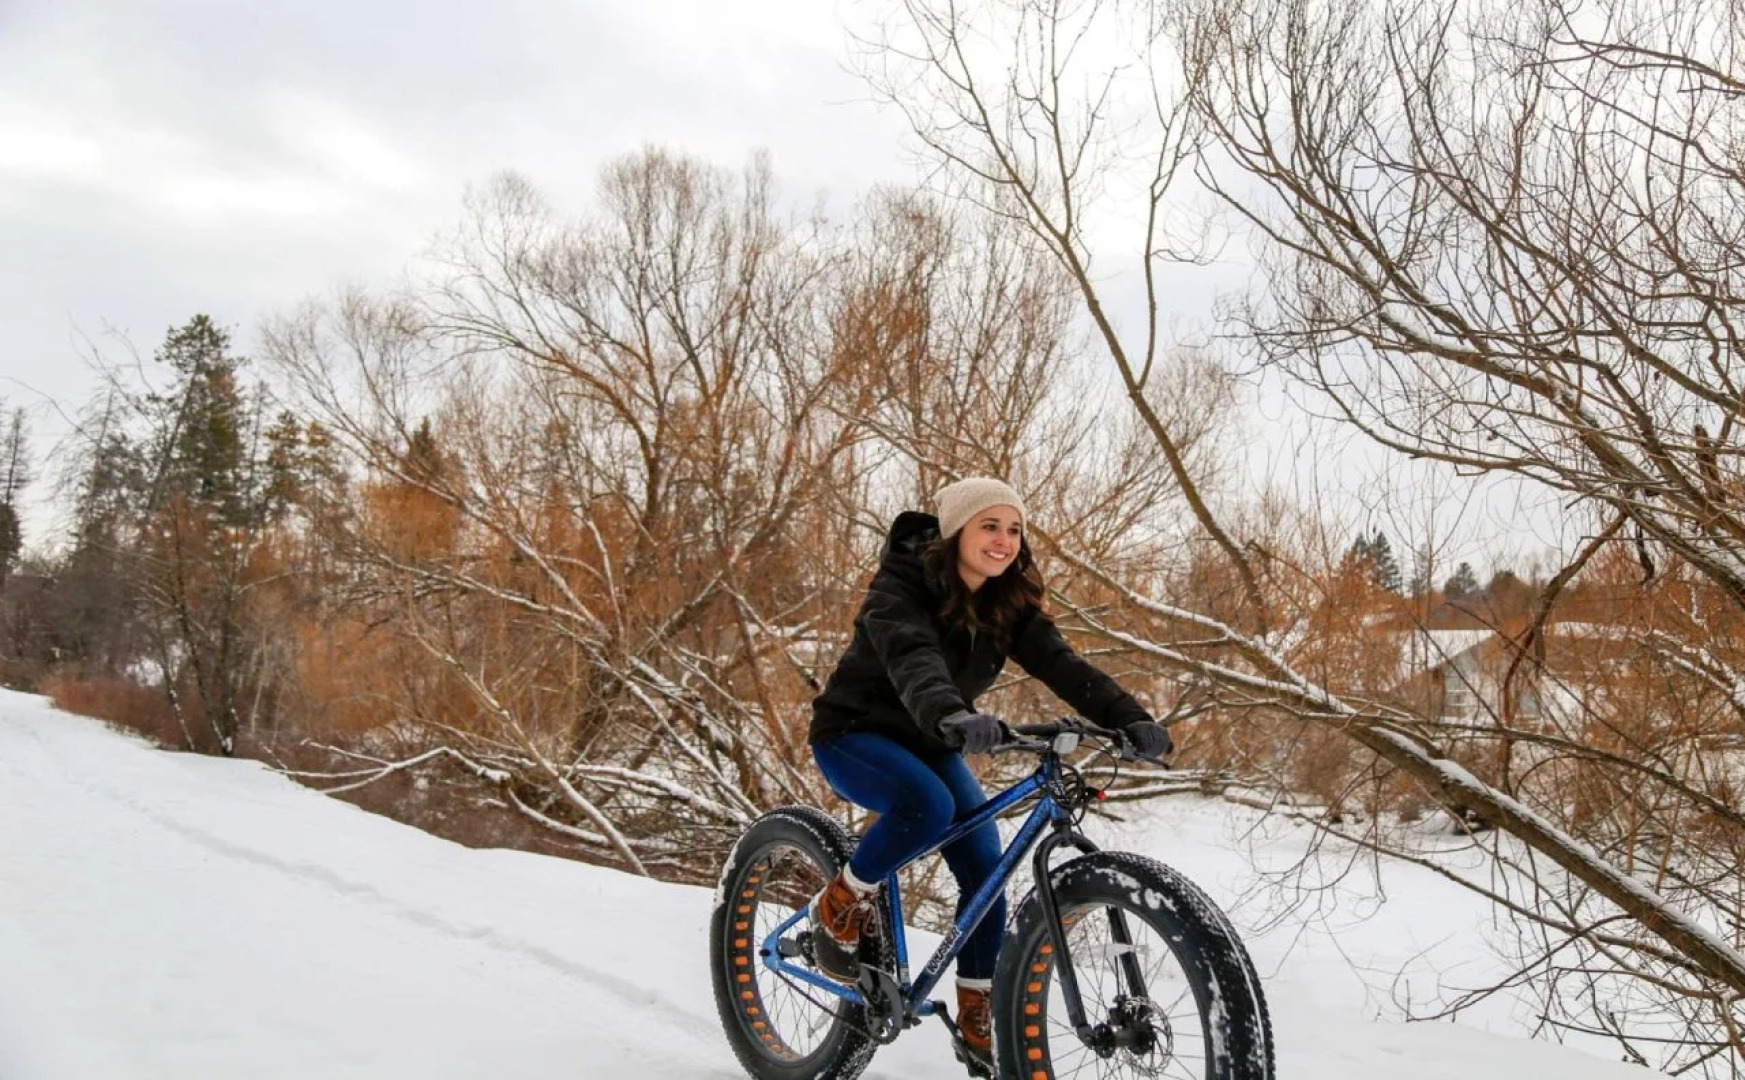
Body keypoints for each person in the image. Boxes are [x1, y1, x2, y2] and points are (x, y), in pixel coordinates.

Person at [806, 477, 1173, 1071]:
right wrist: (952, 712)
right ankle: (841, 900)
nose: (1003, 541)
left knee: (986, 865)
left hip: (931, 740)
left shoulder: (1009, 604)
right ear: (955, 532)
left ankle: (977, 1017)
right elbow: (913, 656)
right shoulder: (900, 588)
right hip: (854, 735)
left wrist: (1130, 719)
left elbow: (1064, 665)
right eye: (989, 526)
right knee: (928, 807)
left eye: (1013, 529)